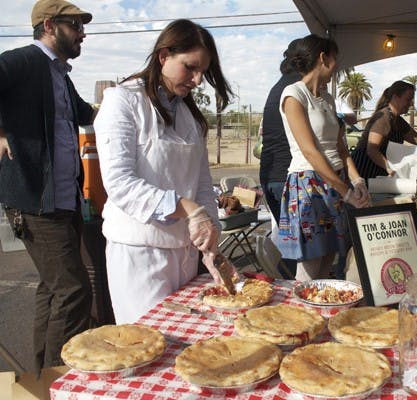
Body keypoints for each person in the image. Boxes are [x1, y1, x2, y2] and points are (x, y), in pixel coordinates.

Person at [93, 19, 236, 324]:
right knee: (149, 343)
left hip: (183, 254)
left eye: (202, 72)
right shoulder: (123, 102)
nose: (197, 79)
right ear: (163, 56)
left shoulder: (189, 117)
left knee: (185, 342)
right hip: (140, 253)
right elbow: (120, 183)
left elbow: (201, 183)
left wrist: (211, 238)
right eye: (190, 67)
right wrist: (188, 209)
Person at [0, 0, 94, 373]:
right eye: (76, 25)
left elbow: (88, 114)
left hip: (63, 199)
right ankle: (60, 380)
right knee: (73, 292)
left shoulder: (60, 76)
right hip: (36, 202)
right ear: (51, 26)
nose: (83, 33)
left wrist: (131, 98)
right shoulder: (25, 61)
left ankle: (41, 376)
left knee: (53, 289)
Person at [277, 34, 370, 281]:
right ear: (323, 58)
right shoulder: (293, 94)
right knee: (310, 264)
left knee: (329, 257)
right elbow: (310, 151)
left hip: (335, 183)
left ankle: (321, 315)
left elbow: (341, 149)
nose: (337, 64)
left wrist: (357, 180)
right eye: (335, 58)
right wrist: (346, 192)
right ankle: (300, 317)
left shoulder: (328, 99)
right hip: (310, 184)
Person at [351, 81, 417, 183]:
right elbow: (372, 150)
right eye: (408, 99)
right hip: (364, 170)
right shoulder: (383, 117)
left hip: (378, 171)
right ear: (395, 97)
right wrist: (390, 168)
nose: (411, 103)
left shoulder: (398, 120)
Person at [259, 39, 302, 278]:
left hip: (273, 177)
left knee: (290, 245)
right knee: (296, 250)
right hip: (287, 179)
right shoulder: (295, 89)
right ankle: (291, 300)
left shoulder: (280, 86)